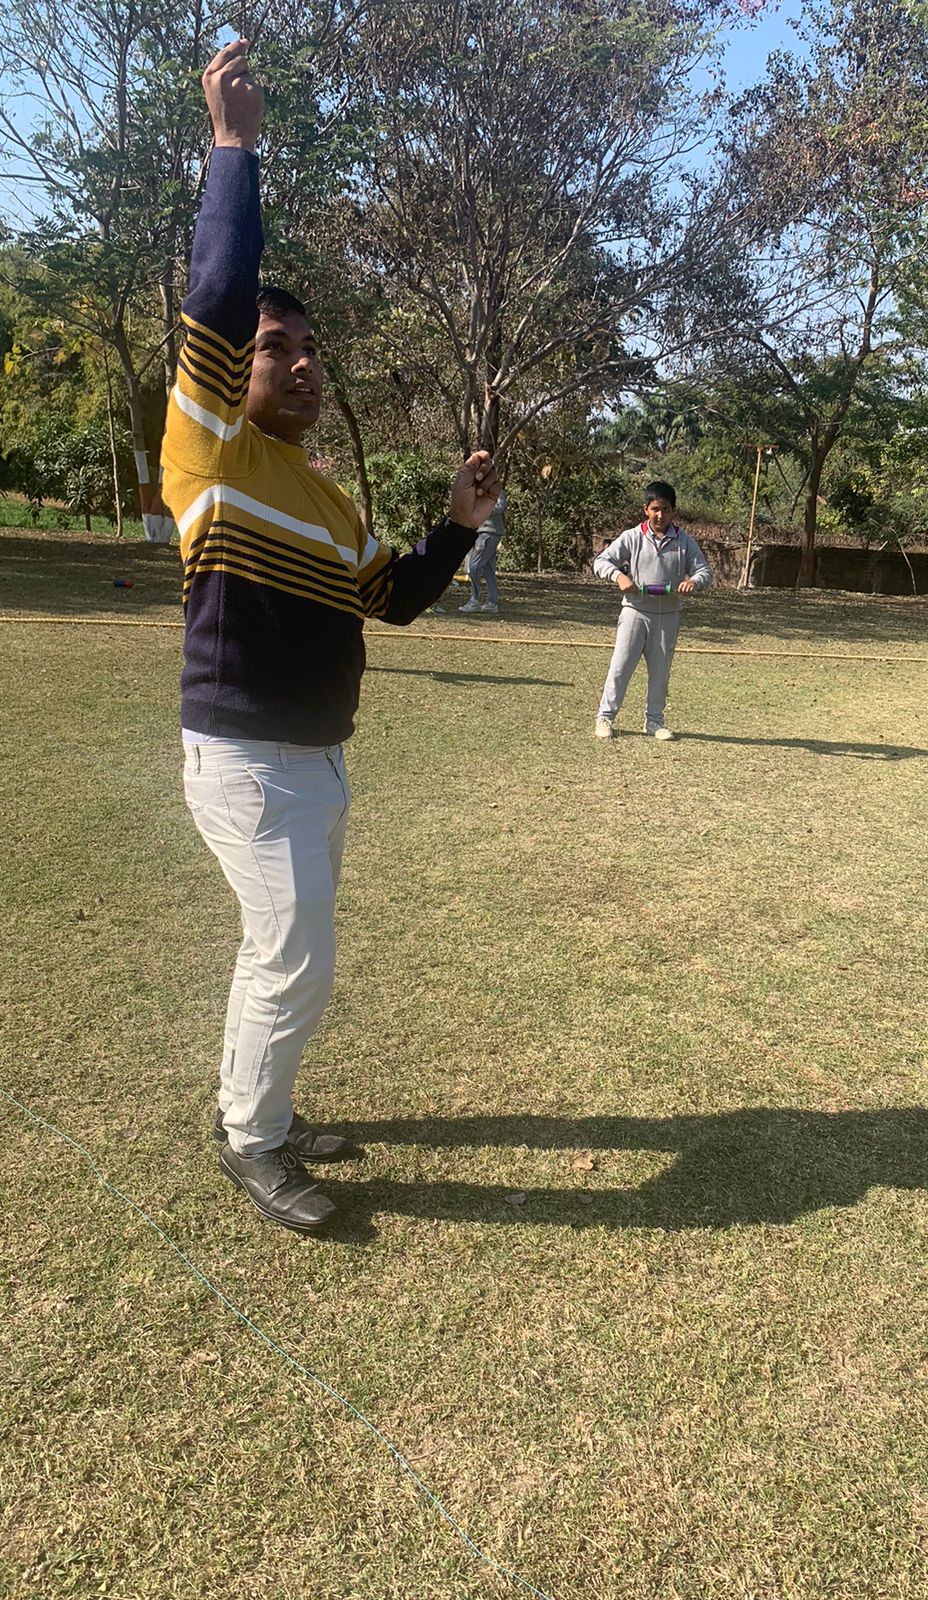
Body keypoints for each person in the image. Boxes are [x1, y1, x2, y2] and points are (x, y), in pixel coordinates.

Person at [160, 41, 500, 1234]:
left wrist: (455, 528)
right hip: (246, 757)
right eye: (275, 349)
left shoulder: (325, 495)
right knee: (292, 952)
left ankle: (262, 1106)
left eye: (310, 352)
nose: (302, 366)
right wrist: (234, 149)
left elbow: (389, 599)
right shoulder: (208, 451)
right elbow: (216, 295)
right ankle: (251, 1139)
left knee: (290, 951)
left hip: (318, 758)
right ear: (230, 370)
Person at [592, 482, 712, 741]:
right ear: (646, 509)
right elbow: (601, 561)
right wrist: (618, 577)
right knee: (620, 667)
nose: (660, 515)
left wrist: (694, 582)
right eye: (655, 509)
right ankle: (605, 717)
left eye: (666, 510)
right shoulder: (632, 537)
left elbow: (704, 571)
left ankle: (654, 721)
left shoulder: (683, 541)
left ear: (673, 510)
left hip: (668, 617)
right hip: (634, 612)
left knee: (660, 673)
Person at [460, 487, 506, 614]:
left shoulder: (499, 492)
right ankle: (492, 602)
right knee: (488, 568)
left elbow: (499, 508)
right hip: (481, 532)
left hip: (489, 533)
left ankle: (474, 600)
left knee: (473, 566)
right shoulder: (477, 493)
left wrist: (483, 506)